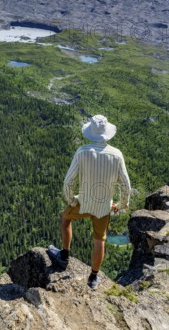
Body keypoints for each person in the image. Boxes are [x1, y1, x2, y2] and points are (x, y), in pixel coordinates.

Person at [48, 114, 131, 290]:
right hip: (104, 206)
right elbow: (126, 185)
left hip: (83, 202)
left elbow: (68, 181)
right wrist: (121, 204)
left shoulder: (82, 152)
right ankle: (93, 278)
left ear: (90, 133)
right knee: (99, 239)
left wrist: (71, 201)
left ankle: (64, 255)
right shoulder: (117, 155)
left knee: (65, 219)